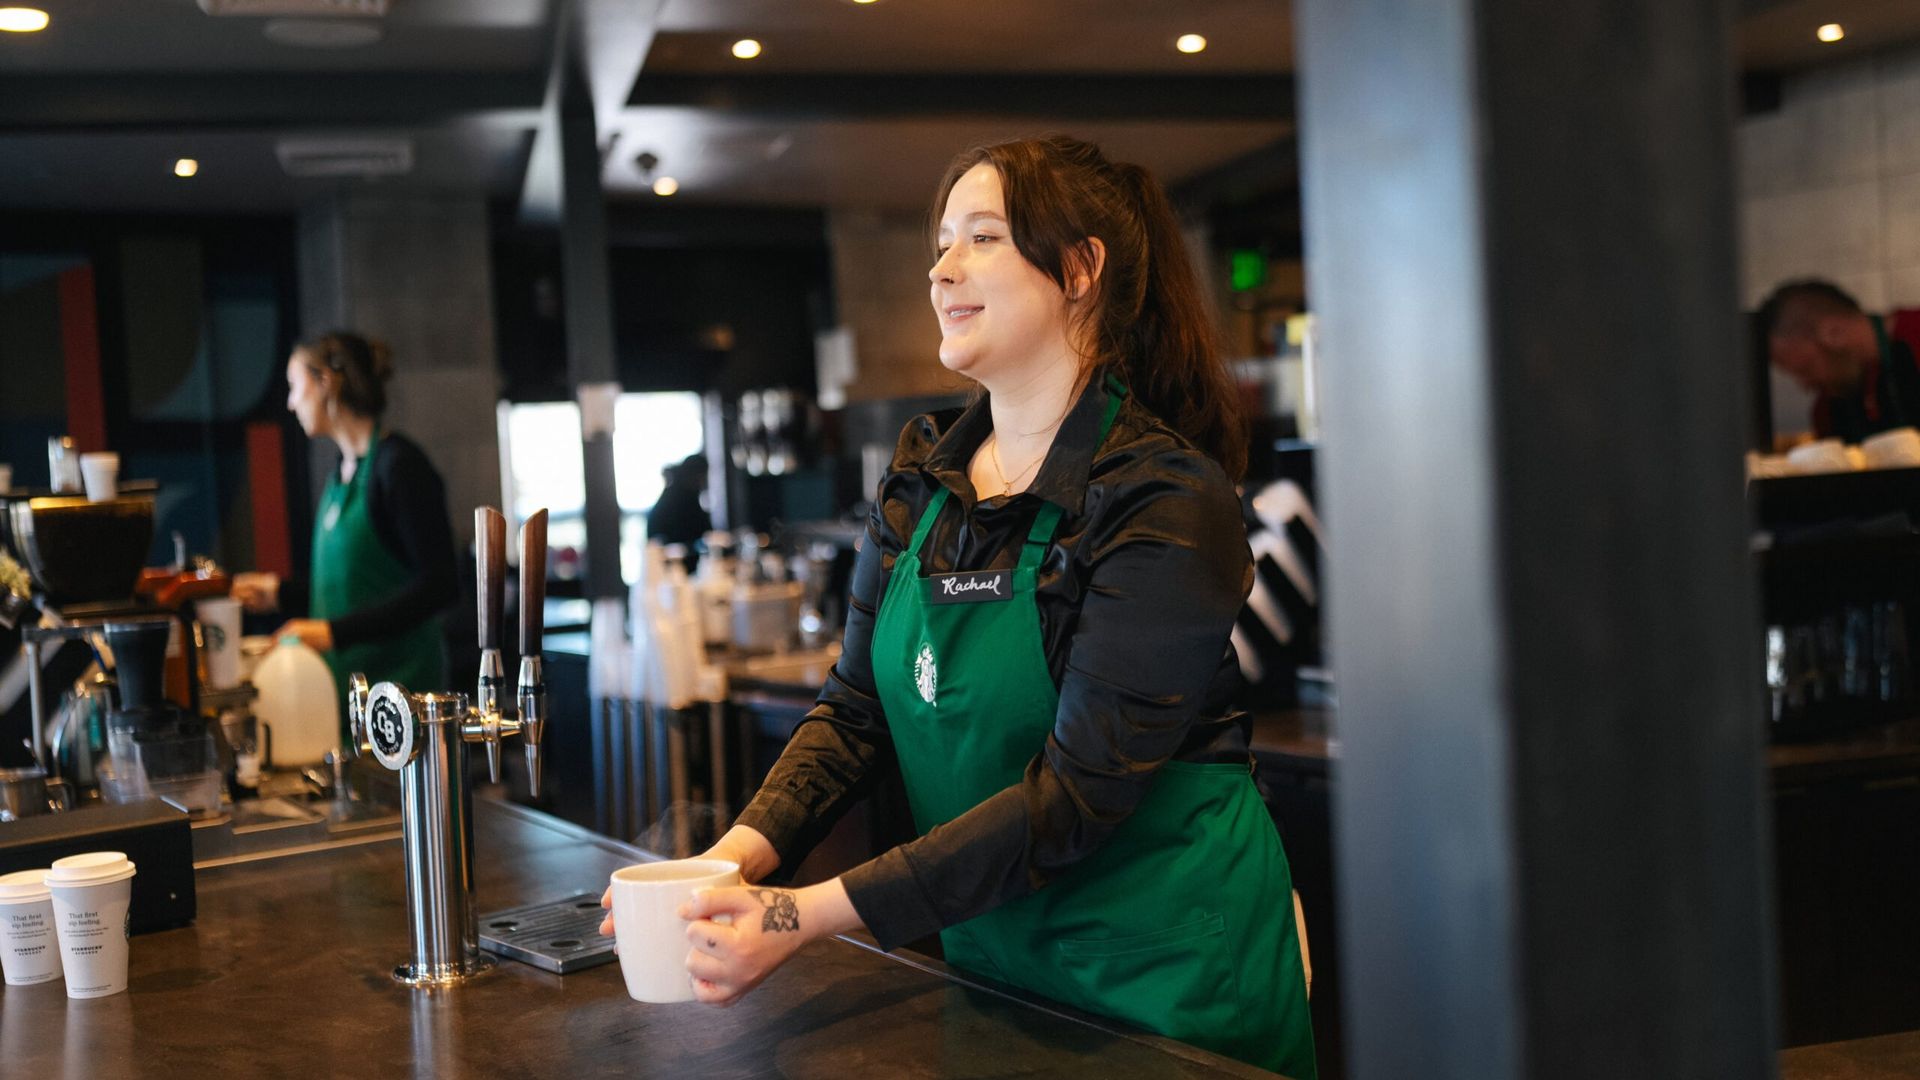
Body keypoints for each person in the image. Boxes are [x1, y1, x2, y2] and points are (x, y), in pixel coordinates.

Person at [602, 137, 1317, 1077]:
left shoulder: (1163, 496)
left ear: (1079, 270)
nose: (942, 270)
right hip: (996, 966)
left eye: (982, 238)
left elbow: (1076, 795)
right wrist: (731, 864)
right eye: (942, 243)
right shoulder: (924, 477)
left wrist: (803, 914)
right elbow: (854, 712)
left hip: (1168, 975)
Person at [231, 331, 457, 718]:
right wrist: (278, 593)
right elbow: (350, 593)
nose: (289, 403)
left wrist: (329, 634)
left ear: (325, 383)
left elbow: (439, 586)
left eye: (294, 386)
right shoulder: (341, 475)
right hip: (354, 694)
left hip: (403, 697)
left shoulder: (399, 467)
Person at [1760, 278, 1920, 442]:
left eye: (1806, 369)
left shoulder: (1915, 335)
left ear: (1834, 333)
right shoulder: (1826, 412)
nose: (1805, 386)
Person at [646, 453, 712, 563]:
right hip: (672, 562)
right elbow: (699, 530)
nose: (705, 482)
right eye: (703, 476)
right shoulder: (681, 497)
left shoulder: (678, 490)